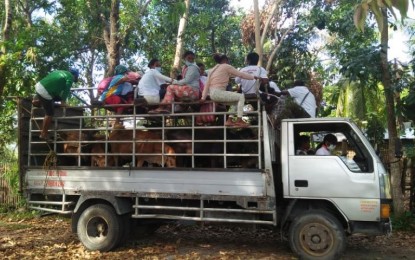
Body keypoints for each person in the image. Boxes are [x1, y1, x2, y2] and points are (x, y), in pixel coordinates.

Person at [200, 53, 260, 128]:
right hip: (219, 93)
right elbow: (240, 75)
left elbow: (207, 84)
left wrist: (203, 97)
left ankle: (229, 120)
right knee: (241, 97)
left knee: (236, 102)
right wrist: (253, 77)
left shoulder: (213, 70)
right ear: (225, 60)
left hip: (213, 95)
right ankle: (239, 120)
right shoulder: (226, 66)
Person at [33, 68, 79, 141]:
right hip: (46, 92)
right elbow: (66, 90)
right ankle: (43, 134)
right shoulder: (70, 77)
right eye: (75, 78)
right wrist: (63, 103)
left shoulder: (59, 71)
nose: (74, 80)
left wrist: (61, 100)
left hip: (39, 86)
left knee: (54, 98)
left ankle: (38, 101)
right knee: (50, 113)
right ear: (75, 76)